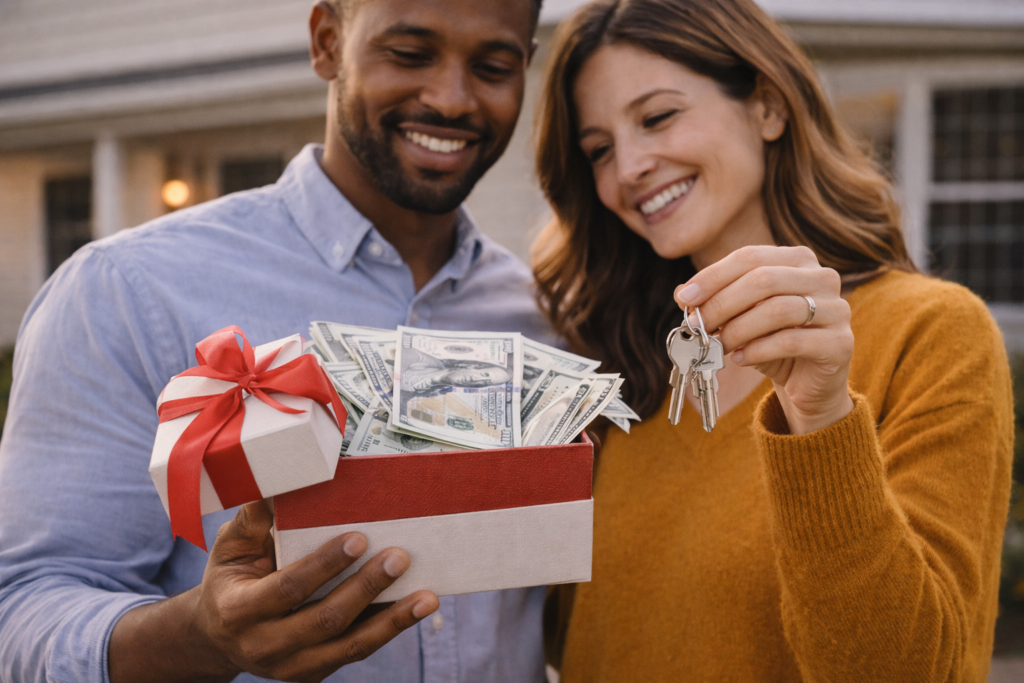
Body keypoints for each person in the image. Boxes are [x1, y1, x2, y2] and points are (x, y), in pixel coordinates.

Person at [0, 0, 553, 681]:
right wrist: (201, 637)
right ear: (327, 41)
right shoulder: (127, 290)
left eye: (494, 67)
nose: (450, 97)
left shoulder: (543, 316)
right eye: (409, 54)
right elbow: (21, 612)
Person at [531, 0, 1013, 681]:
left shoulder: (929, 331)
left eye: (658, 116)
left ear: (766, 106)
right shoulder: (619, 367)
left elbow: (905, 668)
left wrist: (820, 418)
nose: (629, 166)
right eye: (599, 150)